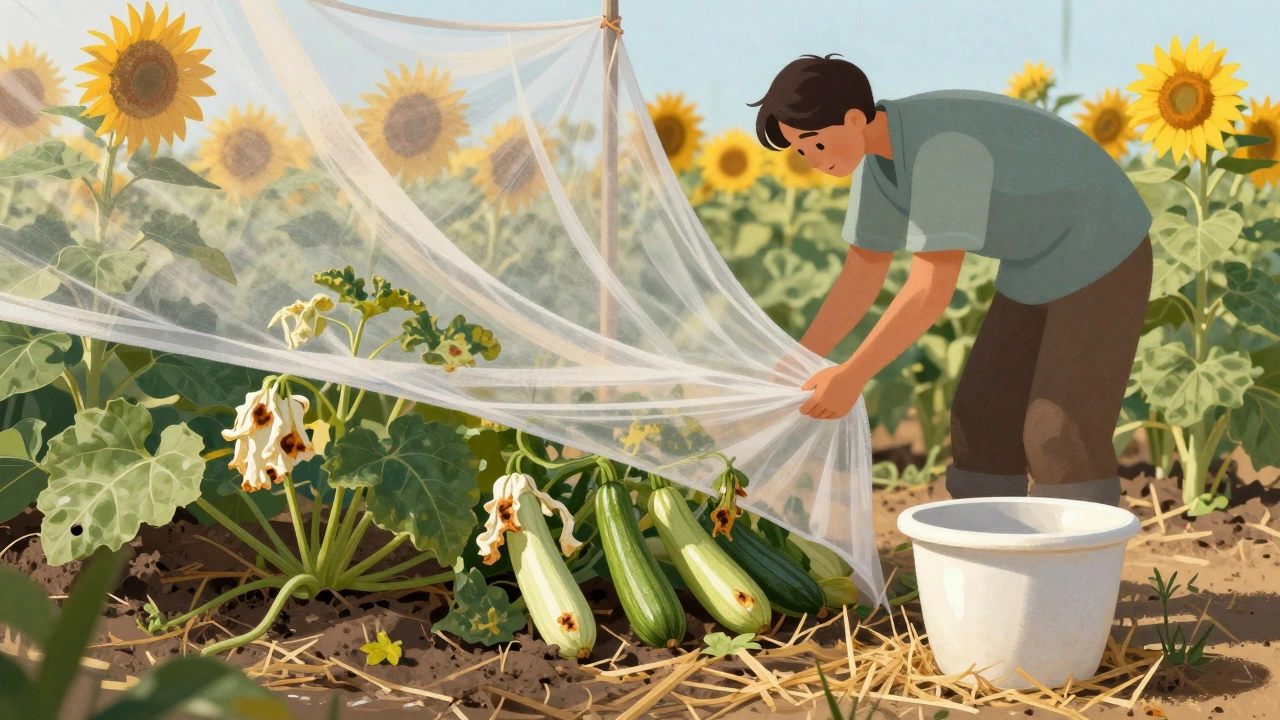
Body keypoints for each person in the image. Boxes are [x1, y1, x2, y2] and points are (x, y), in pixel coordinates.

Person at [753, 54, 1152, 506]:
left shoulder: (942, 151)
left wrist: (851, 376)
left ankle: (1075, 561)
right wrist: (798, 363)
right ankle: (989, 547)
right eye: (801, 152)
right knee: (979, 417)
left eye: (816, 145)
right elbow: (862, 276)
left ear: (852, 118)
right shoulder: (878, 160)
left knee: (1056, 431)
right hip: (1034, 258)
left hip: (1101, 243)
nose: (812, 162)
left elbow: (929, 290)